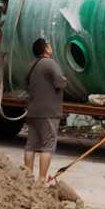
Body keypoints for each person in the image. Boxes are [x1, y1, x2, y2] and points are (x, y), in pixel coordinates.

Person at [25, 36, 67, 184]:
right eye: (49, 45)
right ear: (46, 49)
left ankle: (27, 176)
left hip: (33, 110)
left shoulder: (31, 65)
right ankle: (42, 179)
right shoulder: (50, 63)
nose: (51, 47)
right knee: (47, 146)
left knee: (31, 145)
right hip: (49, 112)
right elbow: (59, 83)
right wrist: (64, 80)